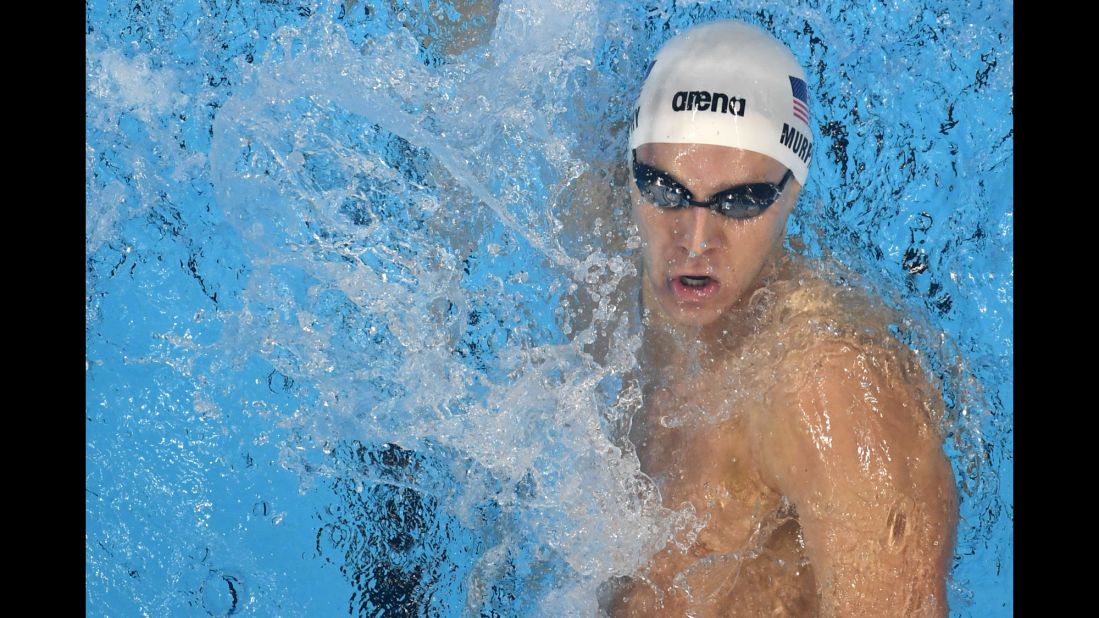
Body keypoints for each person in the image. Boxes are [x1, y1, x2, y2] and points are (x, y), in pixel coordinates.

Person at [605, 20, 958, 617]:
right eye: (665, 189)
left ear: (791, 190)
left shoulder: (829, 390)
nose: (694, 240)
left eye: (738, 202)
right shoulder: (602, 246)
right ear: (632, 169)